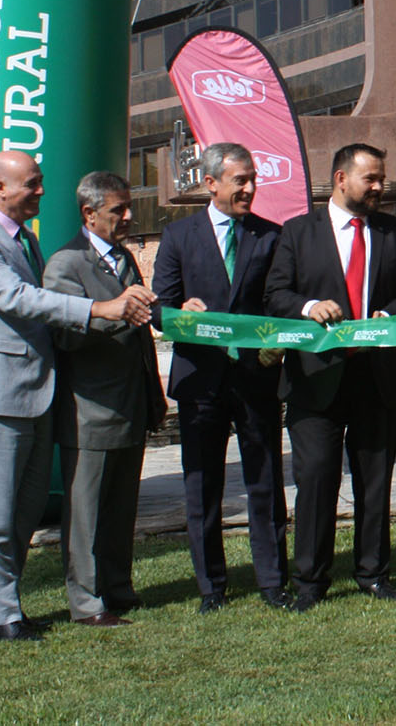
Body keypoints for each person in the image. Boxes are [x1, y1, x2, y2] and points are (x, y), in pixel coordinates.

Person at [0, 151, 153, 642]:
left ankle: (2, 605)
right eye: (32, 184)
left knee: (23, 512)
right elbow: (22, 299)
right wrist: (99, 308)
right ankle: (0, 617)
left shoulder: (24, 241)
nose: (42, 192)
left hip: (35, 396)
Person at [265, 143, 396, 610]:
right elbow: (275, 294)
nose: (379, 187)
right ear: (340, 179)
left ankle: (374, 574)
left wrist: (388, 314)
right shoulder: (297, 233)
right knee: (315, 481)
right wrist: (308, 307)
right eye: (369, 179)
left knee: (374, 481)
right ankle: (311, 583)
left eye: (382, 179)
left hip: (377, 378)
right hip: (316, 380)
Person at [152, 143, 291, 612]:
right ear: (210, 184)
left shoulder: (271, 237)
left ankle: (273, 582)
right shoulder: (178, 237)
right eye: (240, 181)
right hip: (201, 382)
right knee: (202, 486)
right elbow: (159, 307)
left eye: (253, 179)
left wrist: (278, 342)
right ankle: (212, 588)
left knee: (266, 482)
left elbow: (279, 302)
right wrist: (176, 311)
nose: (250, 189)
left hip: (256, 378)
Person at [43, 172, 167, 625]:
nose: (129, 216)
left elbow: (141, 332)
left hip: (130, 407)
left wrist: (169, 315)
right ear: (89, 214)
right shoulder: (65, 265)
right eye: (118, 210)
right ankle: (87, 602)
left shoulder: (125, 259)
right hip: (89, 412)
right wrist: (119, 313)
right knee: (86, 517)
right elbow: (66, 337)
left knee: (120, 510)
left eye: (128, 206)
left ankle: (118, 587)